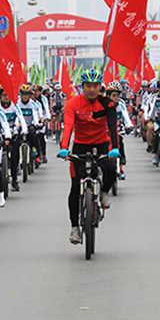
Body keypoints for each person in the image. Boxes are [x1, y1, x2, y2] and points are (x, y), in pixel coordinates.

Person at [57, 69, 120, 245]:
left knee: (110, 169)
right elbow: (68, 126)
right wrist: (64, 148)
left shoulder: (107, 104)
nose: (91, 89)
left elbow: (113, 127)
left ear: (99, 87)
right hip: (80, 144)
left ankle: (104, 192)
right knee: (75, 186)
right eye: (88, 86)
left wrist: (114, 148)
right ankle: (75, 228)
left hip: (101, 143)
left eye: (95, 86)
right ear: (82, 87)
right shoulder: (72, 104)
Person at [0, 88, 28, 191]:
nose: (6, 97)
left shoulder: (15, 106)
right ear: (0, 97)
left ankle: (14, 180)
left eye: (8, 95)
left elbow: (21, 118)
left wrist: (24, 130)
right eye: (4, 95)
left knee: (15, 157)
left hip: (13, 133)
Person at [106, 81, 132, 180]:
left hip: (117, 130)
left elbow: (126, 116)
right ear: (108, 95)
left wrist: (129, 125)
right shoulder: (103, 104)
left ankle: (120, 167)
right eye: (114, 95)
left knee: (120, 142)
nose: (116, 98)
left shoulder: (121, 104)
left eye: (118, 95)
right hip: (105, 131)